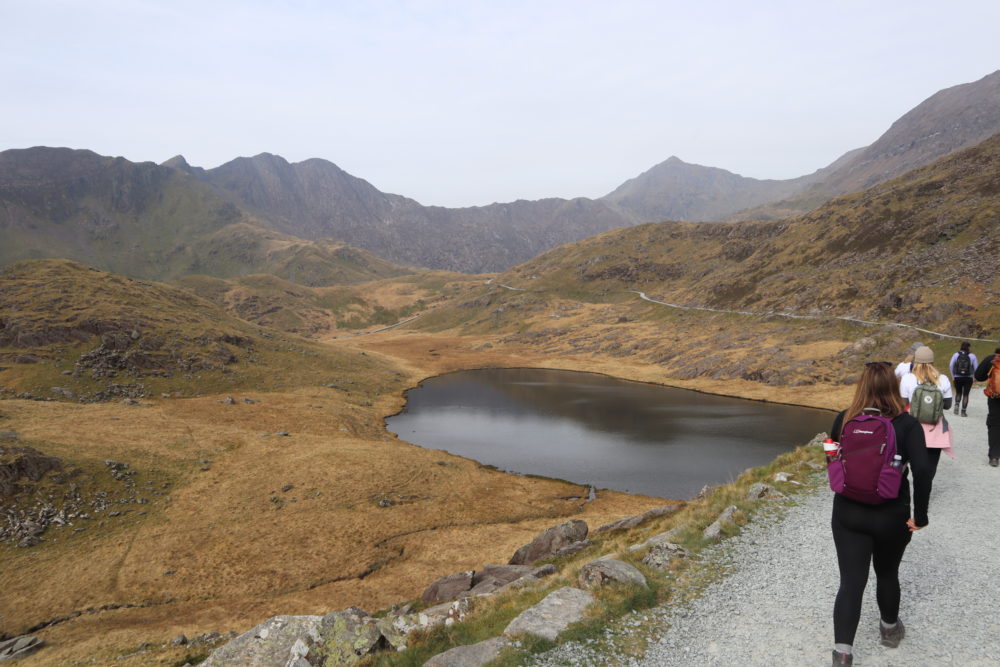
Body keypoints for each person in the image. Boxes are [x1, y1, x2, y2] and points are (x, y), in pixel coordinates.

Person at [829, 361, 933, 666]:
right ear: (893, 386)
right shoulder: (907, 424)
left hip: (848, 513)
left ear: (862, 385)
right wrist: (921, 514)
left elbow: (831, 455)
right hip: (891, 514)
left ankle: (843, 653)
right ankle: (889, 630)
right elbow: (924, 471)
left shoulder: (844, 418)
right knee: (887, 573)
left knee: (851, 582)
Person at [899, 345, 954, 470]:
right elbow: (947, 405)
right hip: (935, 430)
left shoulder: (907, 378)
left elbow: (904, 404)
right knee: (929, 469)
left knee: (909, 466)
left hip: (912, 428)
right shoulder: (943, 379)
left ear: (916, 361)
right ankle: (924, 488)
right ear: (932, 361)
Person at [973, 346, 1000, 467]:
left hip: (995, 398)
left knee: (994, 425)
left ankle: (994, 456)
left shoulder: (991, 359)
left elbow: (978, 376)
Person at [949, 341, 978, 416]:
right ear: (968, 347)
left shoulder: (956, 355)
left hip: (957, 377)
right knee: (966, 395)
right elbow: (976, 368)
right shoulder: (972, 356)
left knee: (958, 392)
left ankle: (957, 405)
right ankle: (963, 412)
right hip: (968, 378)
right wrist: (975, 378)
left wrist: (953, 376)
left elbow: (951, 365)